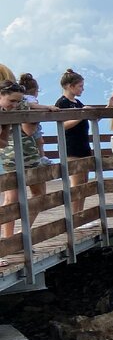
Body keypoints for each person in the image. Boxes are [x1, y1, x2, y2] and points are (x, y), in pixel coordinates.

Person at [0, 79, 48, 240]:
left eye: (18, 101)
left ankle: (19, 235)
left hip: (26, 152)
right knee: (12, 198)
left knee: (38, 194)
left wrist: (27, 110)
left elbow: (26, 131)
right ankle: (9, 239)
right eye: (11, 100)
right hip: (11, 155)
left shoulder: (20, 106)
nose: (14, 104)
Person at [55, 69, 91, 188]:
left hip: (83, 146)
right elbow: (62, 125)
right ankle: (75, 207)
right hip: (71, 147)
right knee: (77, 183)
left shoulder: (78, 102)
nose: (83, 89)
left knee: (84, 182)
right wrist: (81, 115)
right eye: (80, 86)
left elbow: (88, 118)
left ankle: (80, 207)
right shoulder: (62, 103)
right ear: (71, 86)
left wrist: (109, 106)